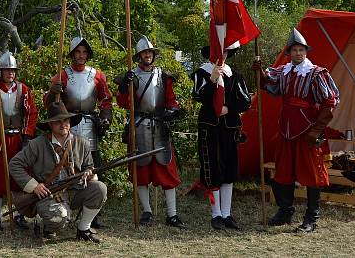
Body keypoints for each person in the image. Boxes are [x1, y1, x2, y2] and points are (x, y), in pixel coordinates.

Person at [253, 28, 340, 233]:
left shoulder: (317, 73)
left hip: (307, 130)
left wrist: (317, 130)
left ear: (306, 51)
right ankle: (285, 211)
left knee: (311, 174)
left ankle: (311, 218)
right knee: (283, 172)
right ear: (289, 53)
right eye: (294, 50)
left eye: (301, 50)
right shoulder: (283, 71)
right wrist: (259, 72)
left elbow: (330, 101)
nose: (297, 53)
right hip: (286, 129)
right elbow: (269, 85)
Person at [8, 101, 106, 243]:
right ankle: (49, 227)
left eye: (66, 120)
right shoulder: (37, 144)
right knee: (59, 219)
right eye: (57, 122)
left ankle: (84, 229)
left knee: (100, 189)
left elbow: (88, 166)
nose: (63, 124)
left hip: (75, 190)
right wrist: (34, 186)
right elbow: (15, 164)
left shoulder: (81, 142)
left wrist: (89, 175)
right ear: (50, 124)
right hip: (49, 194)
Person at [116, 36, 187, 229]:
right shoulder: (131, 75)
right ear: (139, 55)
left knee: (167, 170)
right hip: (139, 126)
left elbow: (171, 99)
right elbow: (123, 103)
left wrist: (172, 111)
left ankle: (172, 215)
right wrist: (125, 86)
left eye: (150, 52)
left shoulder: (163, 75)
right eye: (144, 53)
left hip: (160, 125)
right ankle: (146, 211)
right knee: (141, 172)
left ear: (153, 55)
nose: (148, 55)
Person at [44, 35, 113, 229]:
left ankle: (92, 213)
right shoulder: (62, 75)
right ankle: (64, 206)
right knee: (67, 167)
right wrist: (52, 92)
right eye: (77, 52)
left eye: (84, 52)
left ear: (87, 54)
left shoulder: (97, 75)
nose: (81, 55)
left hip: (90, 124)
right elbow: (50, 105)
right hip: (68, 125)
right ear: (72, 54)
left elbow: (105, 99)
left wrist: (106, 117)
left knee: (93, 170)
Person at [0, 50, 38, 231]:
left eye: (13, 70)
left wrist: (27, 136)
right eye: (6, 70)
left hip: (17, 138)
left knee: (19, 178)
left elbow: (30, 114)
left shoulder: (23, 90)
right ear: (0, 71)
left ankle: (19, 214)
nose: (10, 73)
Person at [191, 42, 250, 230]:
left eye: (225, 51)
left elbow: (245, 101)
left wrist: (229, 108)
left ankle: (227, 214)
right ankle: (216, 214)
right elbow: (198, 95)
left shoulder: (235, 75)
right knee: (212, 169)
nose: (222, 54)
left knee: (229, 169)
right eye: (218, 50)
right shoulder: (201, 73)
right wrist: (212, 80)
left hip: (230, 127)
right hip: (209, 127)